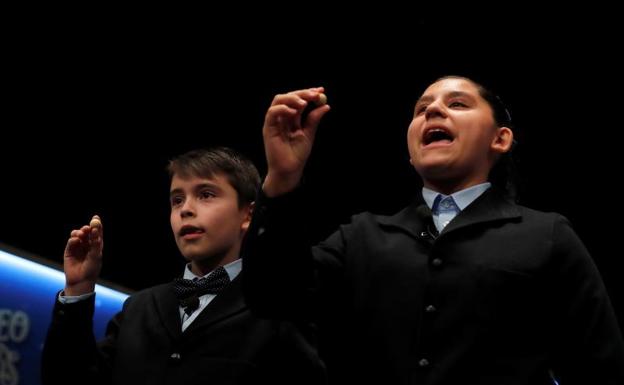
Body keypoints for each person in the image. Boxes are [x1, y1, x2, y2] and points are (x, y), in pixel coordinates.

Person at [241, 78, 624, 384]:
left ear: (500, 138)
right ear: (411, 152)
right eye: (421, 109)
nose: (434, 110)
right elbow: (271, 296)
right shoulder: (362, 235)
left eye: (457, 104)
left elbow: (598, 363)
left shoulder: (547, 233)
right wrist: (282, 178)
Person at [41, 147, 326, 385]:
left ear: (248, 214)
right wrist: (78, 288)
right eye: (177, 200)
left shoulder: (276, 308)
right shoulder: (138, 308)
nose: (185, 209)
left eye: (206, 194)